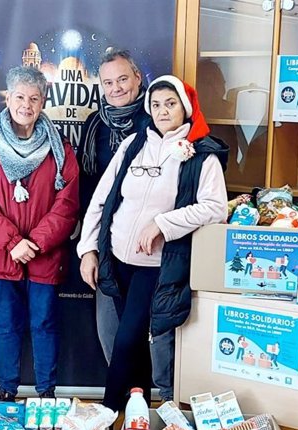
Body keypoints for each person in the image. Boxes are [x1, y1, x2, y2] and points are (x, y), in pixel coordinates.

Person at [78, 74, 228, 412]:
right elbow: (102, 199)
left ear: (185, 108)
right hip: (116, 260)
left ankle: (107, 416)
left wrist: (163, 223)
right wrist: (88, 249)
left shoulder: (202, 154)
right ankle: (138, 417)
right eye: (156, 104)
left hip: (156, 266)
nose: (163, 111)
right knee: (133, 349)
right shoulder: (133, 144)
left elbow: (215, 208)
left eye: (171, 104)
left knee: (128, 339)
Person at [0, 66, 79, 402]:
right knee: (5, 325)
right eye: (19, 97)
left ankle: (46, 393)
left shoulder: (60, 148)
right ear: (7, 98)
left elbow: (68, 202)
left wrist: (37, 242)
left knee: (44, 324)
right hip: (0, 254)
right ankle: (7, 392)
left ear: (43, 101)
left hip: (46, 254)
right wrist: (13, 242)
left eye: (33, 98)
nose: (26, 105)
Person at [78, 49, 176, 400]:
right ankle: (128, 408)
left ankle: (136, 408)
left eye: (123, 79)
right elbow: (91, 190)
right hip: (110, 245)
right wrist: (88, 246)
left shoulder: (157, 123)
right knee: (112, 332)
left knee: (142, 334)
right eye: (108, 82)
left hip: (154, 255)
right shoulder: (94, 125)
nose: (116, 87)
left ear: (138, 78)